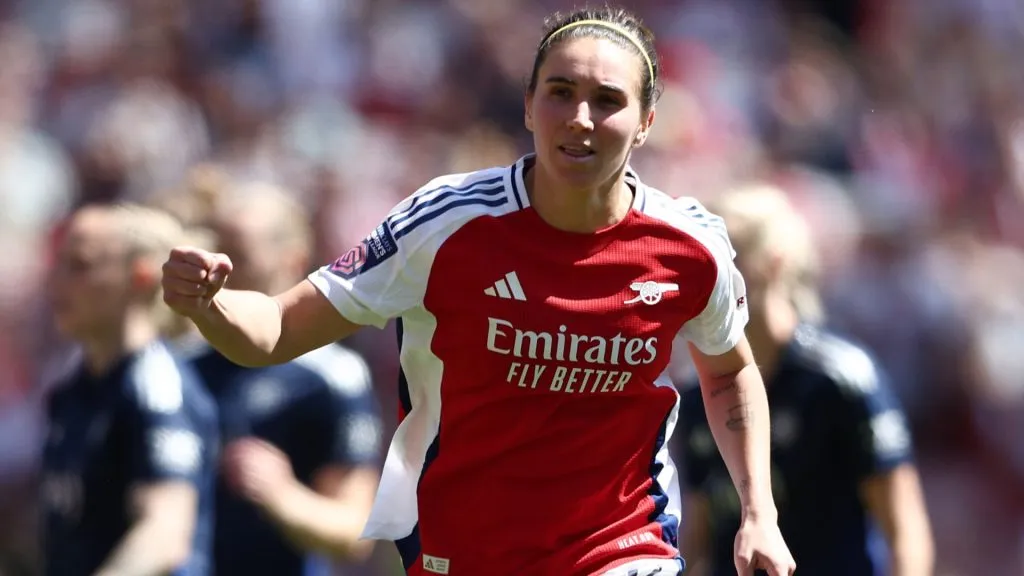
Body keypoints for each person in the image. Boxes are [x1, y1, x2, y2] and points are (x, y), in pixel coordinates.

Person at [161, 6, 795, 576]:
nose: (580, 118)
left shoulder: (690, 247)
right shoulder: (446, 223)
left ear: (646, 121)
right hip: (462, 545)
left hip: (623, 544)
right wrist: (208, 304)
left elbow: (728, 372)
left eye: (608, 100)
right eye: (561, 92)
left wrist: (758, 512)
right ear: (527, 105)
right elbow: (275, 329)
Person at [677, 184, 935, 576]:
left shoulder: (839, 380)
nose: (710, 277)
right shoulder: (700, 396)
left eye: (728, 259)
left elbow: (906, 533)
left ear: (773, 263)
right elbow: (697, 541)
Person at [176, 182, 383, 575]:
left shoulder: (331, 376)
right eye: (214, 249)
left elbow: (355, 533)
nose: (217, 268)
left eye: (237, 253)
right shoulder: (177, 364)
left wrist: (282, 495)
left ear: (293, 259)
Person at [41, 203, 219, 576]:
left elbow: (165, 533)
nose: (56, 282)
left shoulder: (156, 387)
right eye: (58, 264)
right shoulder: (73, 389)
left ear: (139, 277)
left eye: (80, 266)